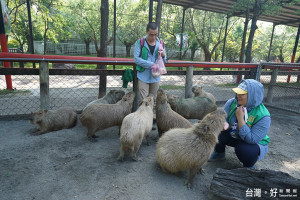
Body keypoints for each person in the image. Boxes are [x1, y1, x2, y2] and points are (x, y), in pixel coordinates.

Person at [209, 79, 271, 169]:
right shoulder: (232, 102)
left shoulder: (263, 116)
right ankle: (219, 153)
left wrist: (240, 119)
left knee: (245, 149)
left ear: (252, 96)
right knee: (216, 130)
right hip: (235, 133)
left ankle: (249, 166)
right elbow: (223, 117)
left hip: (251, 142)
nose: (238, 96)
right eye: (238, 93)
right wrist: (224, 124)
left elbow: (252, 139)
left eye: (242, 94)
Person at [134, 22, 167, 104]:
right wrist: (152, 64)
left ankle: (151, 116)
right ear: (146, 32)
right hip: (143, 76)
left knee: (153, 101)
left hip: (156, 76)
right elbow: (137, 59)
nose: (154, 37)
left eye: (156, 34)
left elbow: (165, 60)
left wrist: (163, 56)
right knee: (143, 101)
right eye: (151, 35)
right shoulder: (139, 43)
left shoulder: (161, 44)